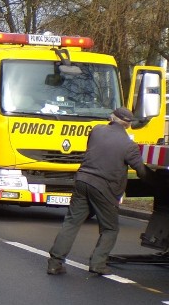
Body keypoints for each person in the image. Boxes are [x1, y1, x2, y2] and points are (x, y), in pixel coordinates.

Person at [47, 107, 150, 276]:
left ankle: (55, 263)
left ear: (112, 118)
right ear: (128, 124)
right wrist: (160, 182)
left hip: (82, 181)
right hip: (104, 188)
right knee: (110, 228)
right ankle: (98, 263)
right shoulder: (129, 145)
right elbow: (141, 171)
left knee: (72, 222)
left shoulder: (96, 131)